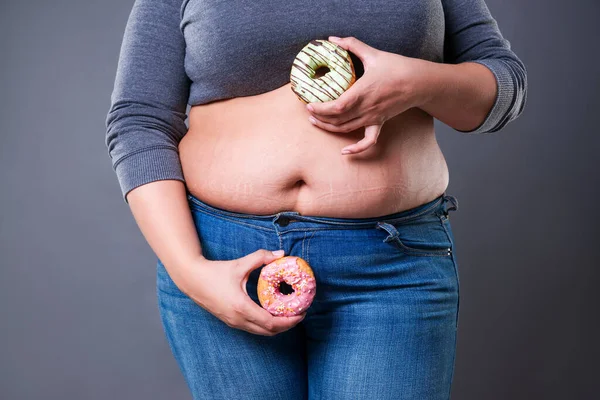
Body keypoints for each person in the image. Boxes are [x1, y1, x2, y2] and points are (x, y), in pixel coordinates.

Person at [105, 0, 527, 398]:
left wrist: (417, 83)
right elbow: (139, 118)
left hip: (389, 265)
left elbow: (504, 86)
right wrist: (190, 269)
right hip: (223, 259)